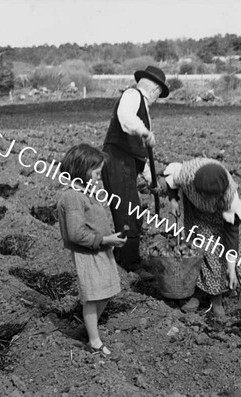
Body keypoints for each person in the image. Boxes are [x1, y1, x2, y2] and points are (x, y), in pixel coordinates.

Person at [56, 143, 127, 356]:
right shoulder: (72, 197)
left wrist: (109, 239)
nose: (98, 177)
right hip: (88, 254)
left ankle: (89, 327)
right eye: (96, 173)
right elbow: (76, 233)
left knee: (105, 291)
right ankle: (94, 341)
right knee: (93, 296)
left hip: (99, 250)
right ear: (82, 171)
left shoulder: (85, 192)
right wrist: (105, 239)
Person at [159, 158, 241, 318]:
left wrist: (231, 268)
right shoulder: (185, 174)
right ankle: (197, 292)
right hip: (195, 213)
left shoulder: (230, 199)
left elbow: (231, 235)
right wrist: (173, 200)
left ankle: (217, 298)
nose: (208, 200)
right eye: (204, 196)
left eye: (211, 197)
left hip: (219, 219)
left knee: (216, 253)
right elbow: (171, 183)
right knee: (195, 250)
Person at [101, 65, 169, 273]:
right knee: (127, 215)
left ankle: (125, 259)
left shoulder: (143, 109)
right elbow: (125, 117)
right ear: (155, 89)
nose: (158, 98)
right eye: (159, 93)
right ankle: (128, 265)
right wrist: (144, 131)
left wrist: (151, 180)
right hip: (116, 163)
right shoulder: (132, 95)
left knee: (132, 214)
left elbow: (139, 153)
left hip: (126, 164)